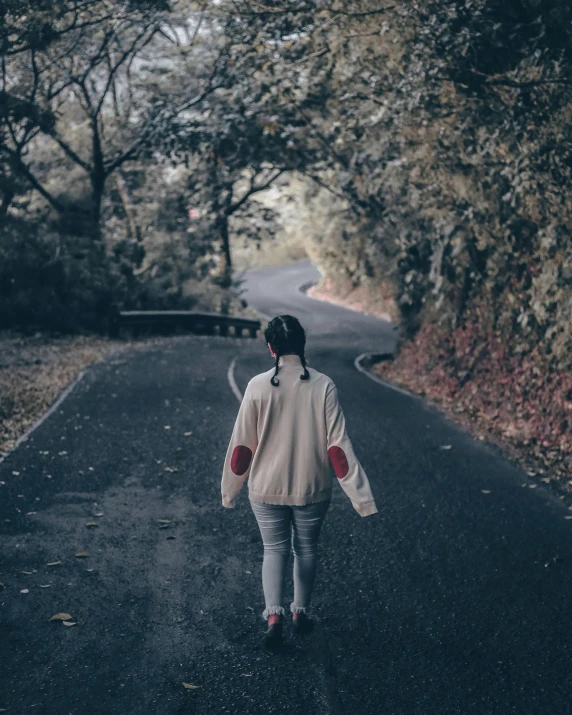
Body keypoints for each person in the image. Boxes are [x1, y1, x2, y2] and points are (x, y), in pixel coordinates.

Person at [221, 314, 378, 649]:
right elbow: (338, 448)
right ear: (302, 346)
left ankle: (273, 615)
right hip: (312, 486)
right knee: (306, 548)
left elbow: (241, 446)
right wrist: (361, 497)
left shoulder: (257, 386)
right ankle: (300, 612)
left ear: (270, 348)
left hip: (265, 486)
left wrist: (230, 491)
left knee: (273, 549)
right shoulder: (323, 386)